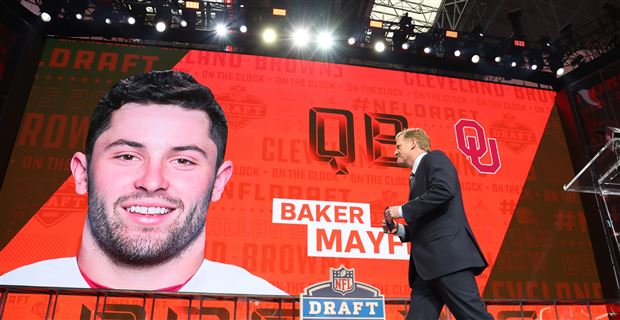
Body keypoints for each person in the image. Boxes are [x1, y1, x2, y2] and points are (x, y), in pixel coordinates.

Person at [0, 70, 286, 295]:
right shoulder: (10, 296)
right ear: (81, 173)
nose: (152, 182)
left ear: (219, 182)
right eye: (127, 156)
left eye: (183, 161)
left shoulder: (267, 307)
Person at [383, 128, 493, 319]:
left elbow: (444, 190)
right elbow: (429, 224)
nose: (394, 152)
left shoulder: (434, 158)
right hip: (426, 270)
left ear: (413, 143)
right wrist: (399, 229)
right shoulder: (415, 177)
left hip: (448, 260)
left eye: (398, 146)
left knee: (474, 317)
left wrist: (401, 210)